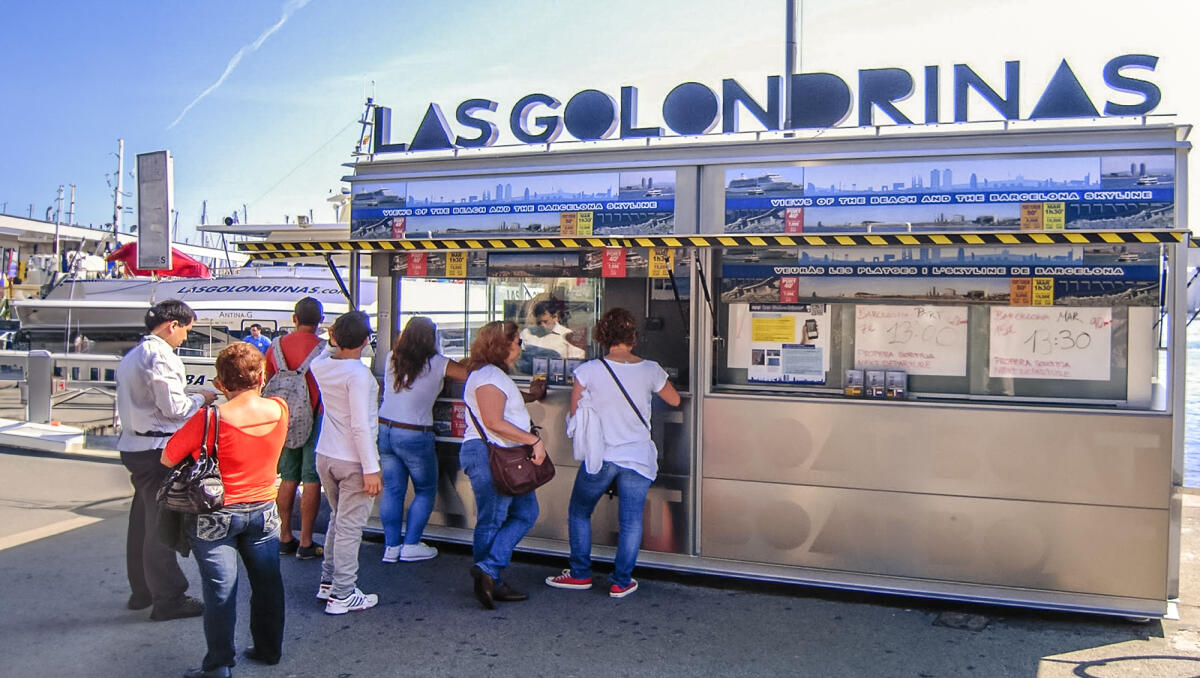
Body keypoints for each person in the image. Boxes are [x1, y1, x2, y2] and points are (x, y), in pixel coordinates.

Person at [162, 343, 288, 678]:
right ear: (261, 377)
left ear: (220, 383)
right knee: (268, 583)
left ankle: (219, 665)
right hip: (264, 509)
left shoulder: (210, 418)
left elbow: (168, 456)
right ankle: (268, 649)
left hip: (216, 514)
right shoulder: (279, 409)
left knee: (220, 590)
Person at [546, 307, 680, 598]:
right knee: (630, 521)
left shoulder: (588, 371)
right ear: (634, 337)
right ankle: (621, 581)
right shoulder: (651, 369)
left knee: (579, 512)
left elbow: (576, 416)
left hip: (601, 456)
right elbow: (674, 399)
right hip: (637, 457)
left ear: (602, 337)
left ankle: (580, 574)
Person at [116, 299, 217, 621]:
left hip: (135, 444)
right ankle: (168, 596)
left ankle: (142, 590)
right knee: (160, 522)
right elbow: (175, 409)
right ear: (172, 325)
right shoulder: (161, 356)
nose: (186, 338)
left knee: (142, 520)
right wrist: (202, 398)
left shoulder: (133, 355)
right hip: (156, 447)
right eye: (186, 330)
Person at [461, 320, 548, 609]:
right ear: (503, 346)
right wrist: (533, 440)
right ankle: (490, 577)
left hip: (501, 454)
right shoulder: (488, 376)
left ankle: (489, 571)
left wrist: (532, 396)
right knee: (494, 518)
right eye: (518, 342)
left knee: (525, 512)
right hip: (492, 454)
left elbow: (503, 404)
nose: (521, 347)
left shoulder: (491, 375)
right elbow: (493, 421)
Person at [378, 316, 468, 563]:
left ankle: (391, 547)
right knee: (425, 490)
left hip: (385, 428)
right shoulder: (437, 363)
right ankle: (411, 545)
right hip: (415, 433)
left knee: (393, 490)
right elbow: (470, 376)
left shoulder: (391, 358)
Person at [310, 310, 382, 614]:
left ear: (335, 337)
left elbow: (323, 353)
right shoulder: (359, 375)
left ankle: (329, 582)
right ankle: (343, 593)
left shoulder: (321, 366)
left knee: (338, 520)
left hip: (326, 454)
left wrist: (333, 340)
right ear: (366, 341)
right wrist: (371, 468)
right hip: (354, 459)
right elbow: (360, 425)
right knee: (350, 527)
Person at [266, 297, 326, 560]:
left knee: (288, 476)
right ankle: (306, 541)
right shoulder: (324, 349)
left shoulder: (276, 347)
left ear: (295, 318)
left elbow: (268, 380)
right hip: (316, 415)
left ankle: (284, 536)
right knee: (311, 477)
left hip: (284, 416)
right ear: (320, 320)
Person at [519, 297, 585, 360]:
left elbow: (577, 361)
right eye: (539, 322)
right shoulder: (526, 334)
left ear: (555, 317)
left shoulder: (568, 335)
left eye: (545, 321)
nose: (542, 325)